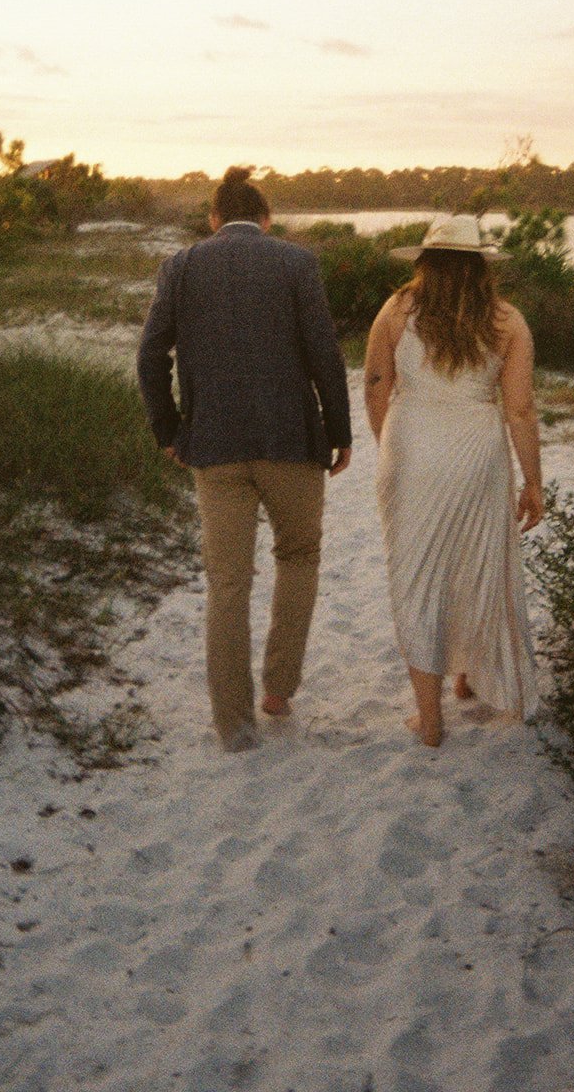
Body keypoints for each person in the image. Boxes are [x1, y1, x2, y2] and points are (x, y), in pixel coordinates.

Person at [137, 166, 352, 753]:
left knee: (228, 582)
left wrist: (169, 428)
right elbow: (325, 355)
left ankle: (233, 724)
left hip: (214, 444)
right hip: (291, 441)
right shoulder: (297, 263)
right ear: (266, 219)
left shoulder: (180, 265)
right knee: (299, 555)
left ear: (213, 219)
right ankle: (279, 689)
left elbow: (150, 353)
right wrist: (340, 431)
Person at [364, 214, 544, 747]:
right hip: (476, 452)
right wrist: (532, 481)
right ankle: (468, 679)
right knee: (476, 561)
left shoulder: (397, 310)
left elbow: (376, 386)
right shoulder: (508, 321)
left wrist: (391, 445)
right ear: (481, 265)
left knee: (417, 573)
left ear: (425, 261)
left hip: (413, 446)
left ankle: (431, 717)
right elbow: (520, 409)